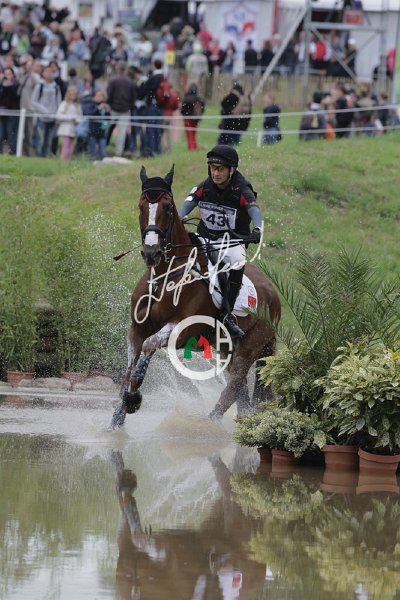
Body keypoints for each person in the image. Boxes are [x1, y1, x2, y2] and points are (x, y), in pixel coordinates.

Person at [177, 145, 262, 339]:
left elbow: (254, 209)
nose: (215, 173)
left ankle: (227, 313)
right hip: (205, 237)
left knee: (238, 261)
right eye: (213, 168)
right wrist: (179, 216)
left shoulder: (241, 188)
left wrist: (258, 229)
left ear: (232, 170)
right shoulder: (205, 186)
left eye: (220, 169)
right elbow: (189, 202)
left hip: (231, 242)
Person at [56, 85, 82, 160]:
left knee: (71, 148)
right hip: (65, 129)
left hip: (74, 129)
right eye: (71, 95)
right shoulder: (64, 104)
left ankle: (68, 161)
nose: (73, 96)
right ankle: (63, 161)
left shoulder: (78, 105)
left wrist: (77, 121)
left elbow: (80, 116)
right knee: (65, 147)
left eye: (74, 95)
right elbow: (59, 115)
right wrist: (70, 118)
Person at [180, 82, 205, 150]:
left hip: (188, 119)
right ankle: (194, 146)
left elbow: (182, 109)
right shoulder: (200, 99)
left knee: (190, 134)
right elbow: (202, 109)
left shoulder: (187, 98)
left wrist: (184, 114)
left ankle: (191, 148)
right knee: (193, 134)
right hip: (196, 119)